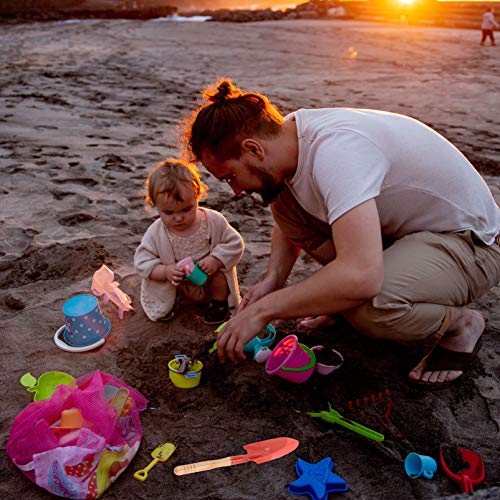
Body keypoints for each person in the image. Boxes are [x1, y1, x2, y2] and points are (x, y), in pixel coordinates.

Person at [181, 78, 500, 390]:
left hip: (471, 243)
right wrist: (273, 280)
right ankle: (346, 301)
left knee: (369, 305)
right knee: (281, 198)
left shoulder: (336, 152)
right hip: (407, 235)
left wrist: (267, 309)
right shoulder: (288, 140)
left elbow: (362, 277)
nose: (235, 190)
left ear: (253, 148)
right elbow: (289, 222)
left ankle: (462, 324)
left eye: (231, 176)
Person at [134, 158, 244, 325]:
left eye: (186, 209)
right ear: (155, 205)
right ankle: (173, 303)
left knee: (220, 276)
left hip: (208, 280)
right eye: (169, 213)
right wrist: (166, 271)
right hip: (179, 284)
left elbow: (235, 244)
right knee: (166, 285)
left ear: (197, 196)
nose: (178, 218)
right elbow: (142, 263)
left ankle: (219, 306)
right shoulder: (156, 232)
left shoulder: (213, 222)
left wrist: (216, 259)